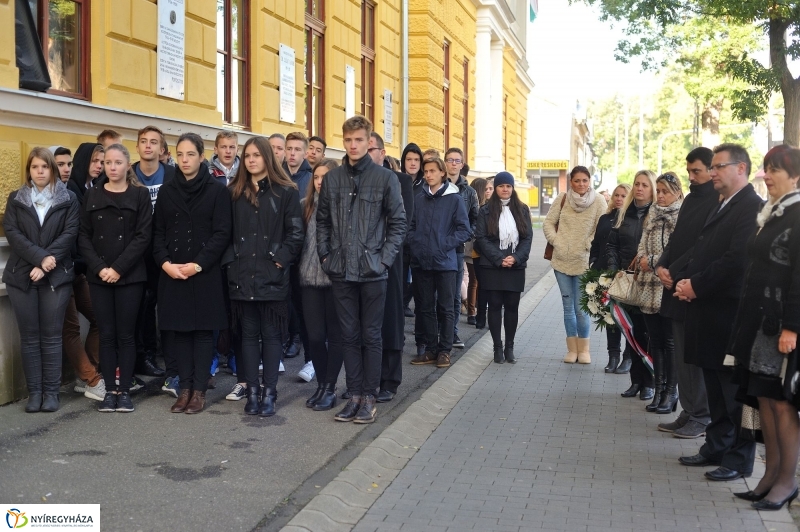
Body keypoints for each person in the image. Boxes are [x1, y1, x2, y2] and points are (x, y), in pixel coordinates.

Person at [675, 143, 761, 482]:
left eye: (718, 166)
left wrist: (696, 285)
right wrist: (685, 279)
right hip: (709, 311)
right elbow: (703, 249)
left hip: (728, 313)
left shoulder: (751, 205)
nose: (712, 172)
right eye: (712, 167)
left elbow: (736, 260)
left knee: (731, 390)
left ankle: (739, 458)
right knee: (714, 386)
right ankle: (716, 445)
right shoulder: (723, 203)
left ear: (740, 168)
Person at [316, 115, 406, 424]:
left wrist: (383, 260)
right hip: (341, 270)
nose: (353, 145)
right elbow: (323, 222)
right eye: (348, 140)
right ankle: (353, 395)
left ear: (369, 141)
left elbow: (398, 224)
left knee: (371, 335)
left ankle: (369, 396)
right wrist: (326, 257)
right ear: (343, 141)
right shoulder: (333, 178)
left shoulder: (385, 178)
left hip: (373, 272)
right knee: (348, 335)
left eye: (358, 140)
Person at [730, 145, 800, 509]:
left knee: (783, 404)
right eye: (766, 169)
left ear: (797, 176)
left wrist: (792, 327)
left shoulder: (798, 214)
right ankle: (770, 476)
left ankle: (786, 482)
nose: (767, 175)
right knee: (764, 401)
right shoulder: (772, 212)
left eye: (775, 170)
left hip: (782, 330)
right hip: (759, 326)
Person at [153, 133, 232, 415]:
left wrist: (198, 264)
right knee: (179, 335)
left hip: (204, 273)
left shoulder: (216, 190)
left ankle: (198, 390)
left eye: (191, 154)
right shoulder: (167, 190)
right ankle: (183, 388)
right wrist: (165, 264)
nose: (185, 160)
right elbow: (158, 232)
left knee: (201, 334)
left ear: (201, 156)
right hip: (173, 272)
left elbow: (222, 233)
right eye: (181, 154)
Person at [225, 136, 303, 417]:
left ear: (268, 158)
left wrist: (280, 261)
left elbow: (295, 234)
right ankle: (252, 391)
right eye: (247, 156)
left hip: (272, 275)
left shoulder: (286, 192)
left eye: (257, 155)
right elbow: (227, 234)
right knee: (247, 336)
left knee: (271, 336)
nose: (252, 160)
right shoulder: (234, 192)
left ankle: (270, 392)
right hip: (242, 274)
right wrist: (232, 263)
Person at [3, 147, 80, 412]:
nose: (39, 172)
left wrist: (46, 263)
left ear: (52, 170)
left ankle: (51, 392)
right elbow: (12, 233)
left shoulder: (68, 198)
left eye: (44, 167)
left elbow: (70, 233)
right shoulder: (16, 199)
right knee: (30, 337)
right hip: (21, 276)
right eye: (35, 167)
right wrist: (39, 258)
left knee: (51, 336)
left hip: (56, 275)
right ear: (29, 170)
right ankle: (35, 393)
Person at [79, 144, 152, 413]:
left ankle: (125, 391)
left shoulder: (139, 195)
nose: (111, 167)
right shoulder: (92, 195)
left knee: (126, 335)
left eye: (117, 162)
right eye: (107, 162)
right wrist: (99, 268)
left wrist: (118, 268)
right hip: (99, 276)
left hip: (130, 275)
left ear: (127, 165)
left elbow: (143, 236)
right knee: (107, 335)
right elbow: (83, 236)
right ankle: (110, 390)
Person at [655, 147, 718, 438]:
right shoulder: (691, 198)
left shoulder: (718, 199)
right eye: (689, 171)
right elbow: (678, 238)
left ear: (711, 169)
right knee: (680, 354)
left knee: (694, 356)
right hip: (674, 284)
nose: (692, 177)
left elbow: (703, 246)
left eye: (697, 171)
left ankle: (701, 415)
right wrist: (662, 265)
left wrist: (676, 272)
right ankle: (689, 410)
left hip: (692, 287)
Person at [408, 157, 469, 368]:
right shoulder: (420, 197)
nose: (428, 175)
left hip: (445, 262)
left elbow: (464, 230)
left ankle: (445, 350)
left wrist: (444, 244)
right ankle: (431, 349)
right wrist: (416, 245)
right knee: (425, 307)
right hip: (422, 262)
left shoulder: (454, 198)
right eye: (426, 171)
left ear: (442, 173)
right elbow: (411, 226)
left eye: (432, 171)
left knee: (445, 307)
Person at [543, 166, 607, 364]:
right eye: (577, 181)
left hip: (584, 262)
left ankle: (584, 350)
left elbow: (602, 228)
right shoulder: (562, 199)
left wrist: (588, 245)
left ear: (590, 181)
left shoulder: (599, 201)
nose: (581, 184)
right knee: (567, 307)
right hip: (561, 261)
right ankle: (572, 349)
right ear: (571, 182)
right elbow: (548, 223)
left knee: (581, 308)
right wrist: (557, 242)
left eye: (585, 180)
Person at [369, 132, 414, 403]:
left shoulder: (401, 181)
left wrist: (382, 256)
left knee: (390, 321)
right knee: (364, 326)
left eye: (370, 148)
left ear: (382, 153)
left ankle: (389, 380)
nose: (363, 151)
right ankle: (364, 382)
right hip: (359, 264)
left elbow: (403, 224)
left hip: (389, 262)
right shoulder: (352, 180)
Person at [607, 170, 657, 398]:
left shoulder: (656, 215)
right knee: (632, 332)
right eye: (637, 184)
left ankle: (650, 383)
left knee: (648, 334)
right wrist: (613, 268)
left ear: (652, 189)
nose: (639, 188)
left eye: (645, 185)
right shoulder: (624, 214)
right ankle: (636, 381)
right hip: (626, 281)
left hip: (649, 282)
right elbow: (612, 245)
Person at [636, 173, 683, 413]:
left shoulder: (681, 215)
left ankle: (671, 392)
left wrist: (653, 261)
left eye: (666, 191)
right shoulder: (652, 213)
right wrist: (644, 259)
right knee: (654, 340)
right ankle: (658, 388)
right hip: (647, 285)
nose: (661, 196)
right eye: (659, 191)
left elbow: (676, 250)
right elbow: (642, 243)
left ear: (677, 192)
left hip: (665, 284)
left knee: (669, 341)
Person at [475, 172, 532, 364]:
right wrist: (500, 258)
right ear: (496, 188)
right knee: (495, 306)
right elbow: (481, 238)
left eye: (508, 186)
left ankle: (510, 347)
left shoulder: (522, 210)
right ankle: (497, 347)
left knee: (512, 307)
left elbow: (527, 238)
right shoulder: (485, 210)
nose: (505, 189)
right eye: (501, 186)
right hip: (492, 266)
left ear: (513, 188)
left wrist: (515, 258)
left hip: (515, 266)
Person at [300, 158, 343, 410]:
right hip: (308, 279)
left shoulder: (343, 209)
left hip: (335, 280)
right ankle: (322, 384)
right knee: (315, 337)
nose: (319, 182)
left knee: (335, 336)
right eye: (316, 177)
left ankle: (329, 387)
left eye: (325, 177)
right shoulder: (304, 206)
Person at [133, 125, 173, 381]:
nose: (148, 146)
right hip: (136, 252)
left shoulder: (172, 175)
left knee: (166, 304)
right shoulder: (128, 174)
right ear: (137, 147)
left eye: (153, 142)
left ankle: (170, 357)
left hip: (167, 251)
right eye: (143, 141)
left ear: (162, 149)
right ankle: (144, 356)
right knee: (141, 306)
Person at [590, 183, 631, 373]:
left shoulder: (630, 219)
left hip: (624, 277)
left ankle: (628, 358)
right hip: (604, 274)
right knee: (609, 317)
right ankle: (613, 356)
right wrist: (593, 262)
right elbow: (596, 244)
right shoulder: (605, 218)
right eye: (617, 195)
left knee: (628, 319)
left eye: (624, 195)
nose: (619, 199)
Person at [444, 147, 478, 349]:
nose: (454, 164)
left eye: (457, 161)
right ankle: (440, 332)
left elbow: (475, 219)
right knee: (439, 294)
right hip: (437, 247)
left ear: (462, 164)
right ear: (445, 163)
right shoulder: (437, 186)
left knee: (455, 293)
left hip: (457, 249)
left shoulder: (470, 192)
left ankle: (453, 333)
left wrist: (464, 236)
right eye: (450, 160)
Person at [400, 142, 424, 327]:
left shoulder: (425, 185)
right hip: (399, 243)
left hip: (418, 243)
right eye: (409, 159)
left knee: (420, 288)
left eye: (416, 159)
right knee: (398, 287)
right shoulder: (396, 180)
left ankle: (421, 339)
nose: (413, 163)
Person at [465, 178, 488, 326]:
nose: (489, 192)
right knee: (474, 281)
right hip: (472, 247)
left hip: (482, 249)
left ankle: (477, 311)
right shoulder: (476, 207)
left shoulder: (488, 206)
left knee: (479, 281)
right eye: (486, 189)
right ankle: (471, 313)